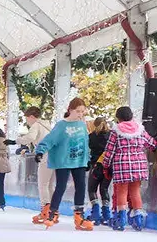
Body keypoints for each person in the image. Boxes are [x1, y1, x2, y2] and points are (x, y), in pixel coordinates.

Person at [35, 97, 93, 230]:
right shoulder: (61, 125)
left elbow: (85, 143)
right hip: (63, 161)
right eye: (78, 111)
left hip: (79, 161)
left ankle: (79, 216)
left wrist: (88, 159)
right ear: (70, 110)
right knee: (61, 186)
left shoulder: (82, 125)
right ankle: (52, 214)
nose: (80, 114)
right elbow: (49, 140)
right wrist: (40, 152)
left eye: (82, 111)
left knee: (81, 186)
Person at [102, 106, 157, 231]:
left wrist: (105, 165)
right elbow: (152, 144)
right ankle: (138, 218)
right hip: (138, 165)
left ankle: (121, 219)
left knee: (121, 192)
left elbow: (110, 151)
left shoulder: (116, 131)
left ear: (118, 118)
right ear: (131, 116)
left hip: (122, 166)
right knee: (135, 191)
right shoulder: (140, 130)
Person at [16, 106, 55, 224]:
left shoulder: (36, 125)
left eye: (27, 118)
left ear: (32, 117)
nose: (27, 121)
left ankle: (45, 211)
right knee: (50, 185)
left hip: (45, 156)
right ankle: (53, 212)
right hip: (55, 157)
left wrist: (18, 140)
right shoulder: (47, 126)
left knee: (42, 184)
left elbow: (30, 137)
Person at [86, 117, 112, 226]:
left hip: (96, 166)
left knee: (92, 189)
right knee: (104, 189)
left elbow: (87, 151)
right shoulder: (111, 135)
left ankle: (95, 213)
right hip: (108, 167)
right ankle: (106, 215)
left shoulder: (91, 136)